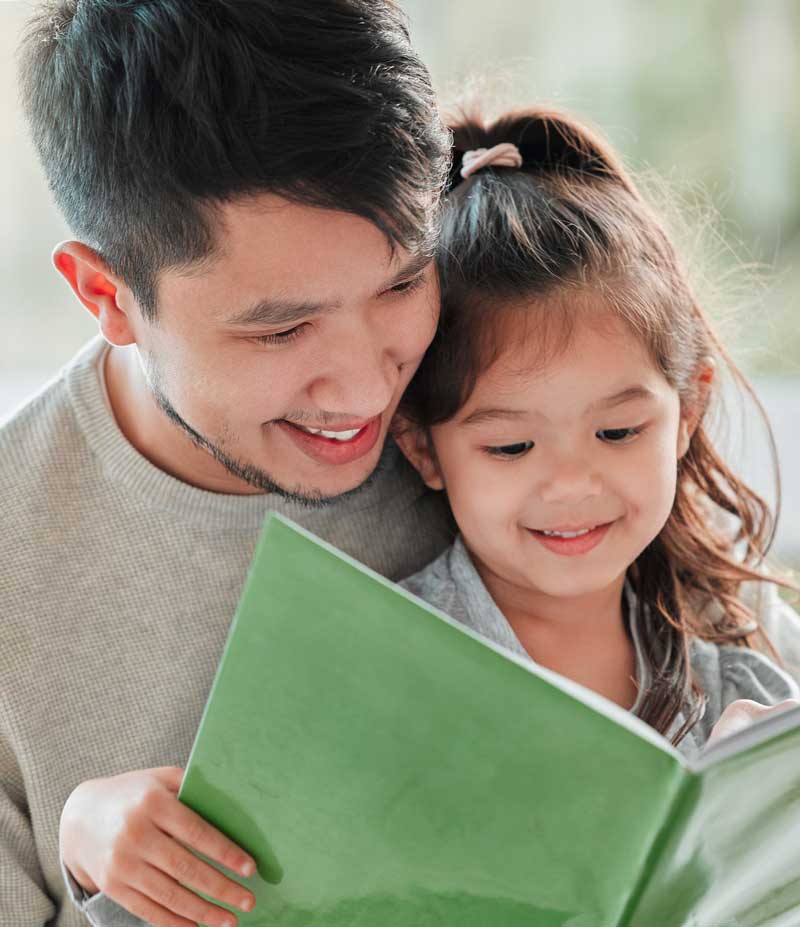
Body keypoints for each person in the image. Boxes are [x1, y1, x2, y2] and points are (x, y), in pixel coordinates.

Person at [1, 2, 453, 926]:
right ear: (107, 295)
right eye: (282, 330)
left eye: (404, 282)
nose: (369, 388)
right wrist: (88, 854)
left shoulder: (499, 400)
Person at [393, 107, 800, 756]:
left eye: (617, 432)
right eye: (512, 446)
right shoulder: (387, 663)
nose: (572, 483)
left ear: (687, 412)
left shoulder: (735, 639)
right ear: (423, 448)